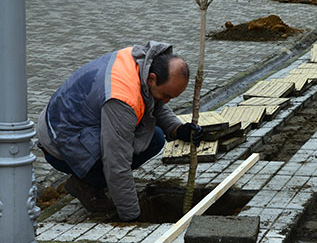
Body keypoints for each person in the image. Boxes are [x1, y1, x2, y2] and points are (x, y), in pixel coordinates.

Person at [36, 41, 204, 222]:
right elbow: (117, 162)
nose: (167, 101)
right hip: (59, 142)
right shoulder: (122, 98)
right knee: (130, 150)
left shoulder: (141, 62)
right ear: (153, 78)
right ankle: (85, 184)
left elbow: (154, 101)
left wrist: (177, 129)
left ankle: (93, 178)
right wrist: (132, 217)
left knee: (154, 137)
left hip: (68, 123)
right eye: (166, 95)